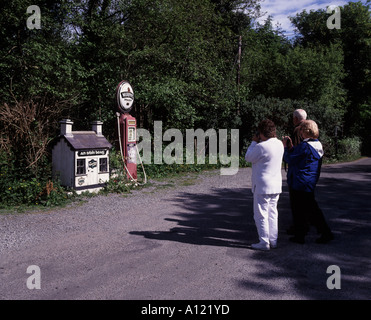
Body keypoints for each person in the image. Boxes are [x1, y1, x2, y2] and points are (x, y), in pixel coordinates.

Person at [283, 120, 334, 244]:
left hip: (299, 181)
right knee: (310, 208)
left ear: (304, 131)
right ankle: (318, 232)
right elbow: (299, 157)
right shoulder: (316, 145)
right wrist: (291, 148)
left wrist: (285, 147)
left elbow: (289, 158)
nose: (299, 132)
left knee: (301, 210)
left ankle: (305, 235)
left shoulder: (304, 146)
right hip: (309, 181)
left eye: (301, 130)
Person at [245, 119, 284, 251]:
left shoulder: (260, 147)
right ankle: (273, 240)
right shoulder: (279, 144)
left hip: (262, 185)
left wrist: (253, 141)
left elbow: (248, 157)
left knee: (261, 214)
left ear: (261, 133)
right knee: (273, 213)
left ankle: (264, 242)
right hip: (276, 184)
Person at [286, 109, 307, 235]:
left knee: (296, 201)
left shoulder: (297, 130)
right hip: (308, 171)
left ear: (295, 119)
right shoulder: (310, 128)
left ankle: (299, 227)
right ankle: (304, 224)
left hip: (297, 171)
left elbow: (296, 152)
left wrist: (287, 146)